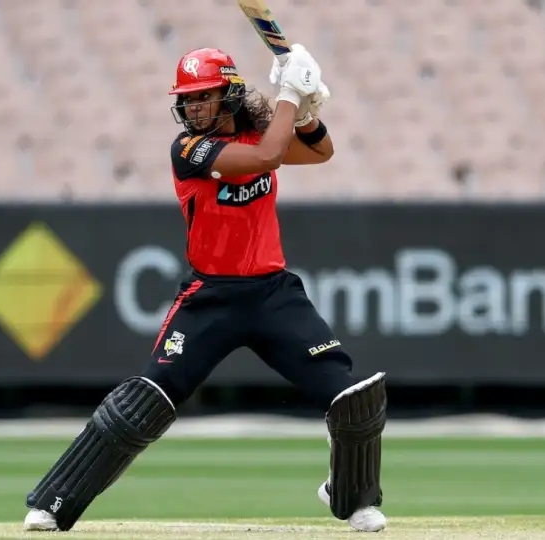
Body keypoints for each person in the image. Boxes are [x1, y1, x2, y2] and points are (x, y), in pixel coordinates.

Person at [22, 44, 388, 533]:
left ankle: (353, 497)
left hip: (273, 295)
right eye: (188, 99)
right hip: (209, 298)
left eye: (204, 97)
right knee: (144, 402)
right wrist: (289, 95)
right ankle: (54, 501)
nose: (193, 108)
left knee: (352, 397)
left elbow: (320, 151)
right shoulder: (189, 150)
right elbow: (267, 155)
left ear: (229, 95)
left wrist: (307, 110)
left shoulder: (257, 130)